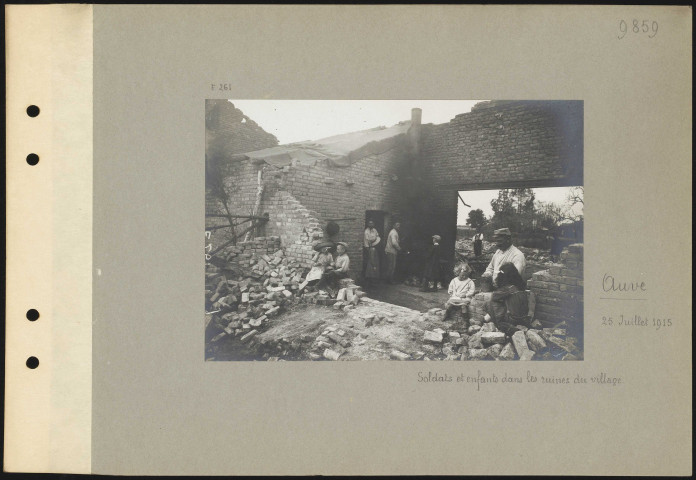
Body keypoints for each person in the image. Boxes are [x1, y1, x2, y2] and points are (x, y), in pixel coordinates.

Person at [483, 262, 529, 335]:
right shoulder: (520, 286)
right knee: (501, 301)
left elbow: (494, 296)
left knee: (490, 302)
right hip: (523, 317)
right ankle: (488, 319)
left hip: (512, 319)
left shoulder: (508, 289)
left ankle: (498, 324)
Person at [363, 220, 381, 287]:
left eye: (372, 223)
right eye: (370, 223)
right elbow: (367, 241)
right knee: (370, 261)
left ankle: (374, 277)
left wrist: (375, 240)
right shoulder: (366, 232)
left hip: (374, 245)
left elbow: (377, 236)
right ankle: (369, 278)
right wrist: (369, 248)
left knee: (375, 261)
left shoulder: (374, 230)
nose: (371, 224)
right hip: (368, 247)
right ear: (368, 224)